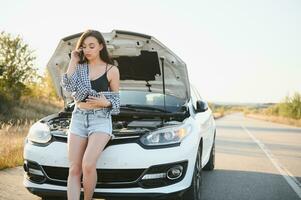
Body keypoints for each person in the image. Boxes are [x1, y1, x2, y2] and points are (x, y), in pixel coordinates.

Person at [60, 29, 120, 200]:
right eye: (84, 46)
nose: (87, 50)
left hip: (100, 119)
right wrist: (73, 60)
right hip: (78, 117)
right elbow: (68, 87)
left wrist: (105, 102)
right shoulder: (78, 67)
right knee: (74, 169)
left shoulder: (111, 70)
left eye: (92, 46)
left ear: (101, 46)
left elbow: (116, 102)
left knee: (87, 164)